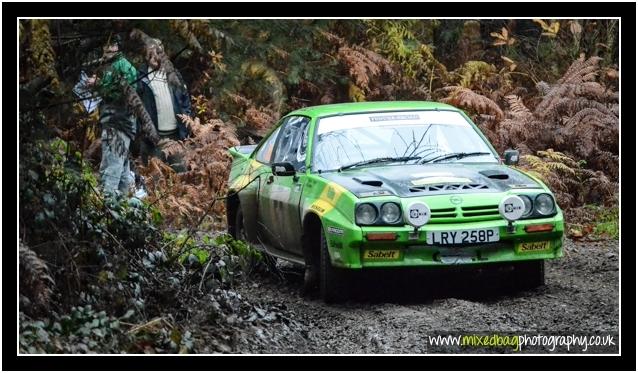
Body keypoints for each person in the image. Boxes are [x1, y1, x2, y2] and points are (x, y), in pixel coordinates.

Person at [87, 36, 139, 196]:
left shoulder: (124, 66)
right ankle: (127, 204)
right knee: (120, 164)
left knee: (113, 163)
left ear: (118, 47)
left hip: (121, 121)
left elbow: (123, 94)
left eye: (112, 45)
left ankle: (107, 203)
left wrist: (98, 86)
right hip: (111, 121)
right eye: (106, 45)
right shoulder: (109, 66)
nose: (108, 48)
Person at [136, 38, 192, 170]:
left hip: (176, 136)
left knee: (182, 177)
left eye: (158, 52)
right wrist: (145, 132)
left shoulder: (173, 73)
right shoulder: (140, 77)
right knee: (154, 180)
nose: (155, 57)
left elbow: (185, 101)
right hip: (154, 139)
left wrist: (186, 125)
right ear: (145, 56)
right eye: (151, 54)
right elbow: (136, 109)